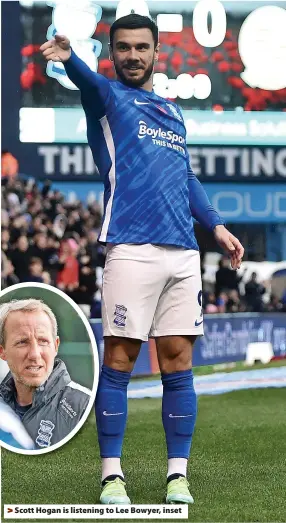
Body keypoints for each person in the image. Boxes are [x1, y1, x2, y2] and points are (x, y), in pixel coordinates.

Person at [40, 14, 244, 504]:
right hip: (131, 248)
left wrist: (215, 224)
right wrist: (72, 59)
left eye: (142, 48)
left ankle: (178, 476)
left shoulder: (174, 114)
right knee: (120, 361)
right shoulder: (107, 98)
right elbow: (87, 81)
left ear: (157, 53)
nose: (133, 55)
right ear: (112, 54)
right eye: (124, 48)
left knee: (178, 362)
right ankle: (112, 476)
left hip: (183, 253)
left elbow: (186, 178)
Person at [0, 299, 91, 449]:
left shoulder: (83, 406)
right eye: (22, 342)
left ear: (56, 346)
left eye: (43, 341)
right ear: (2, 351)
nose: (35, 354)